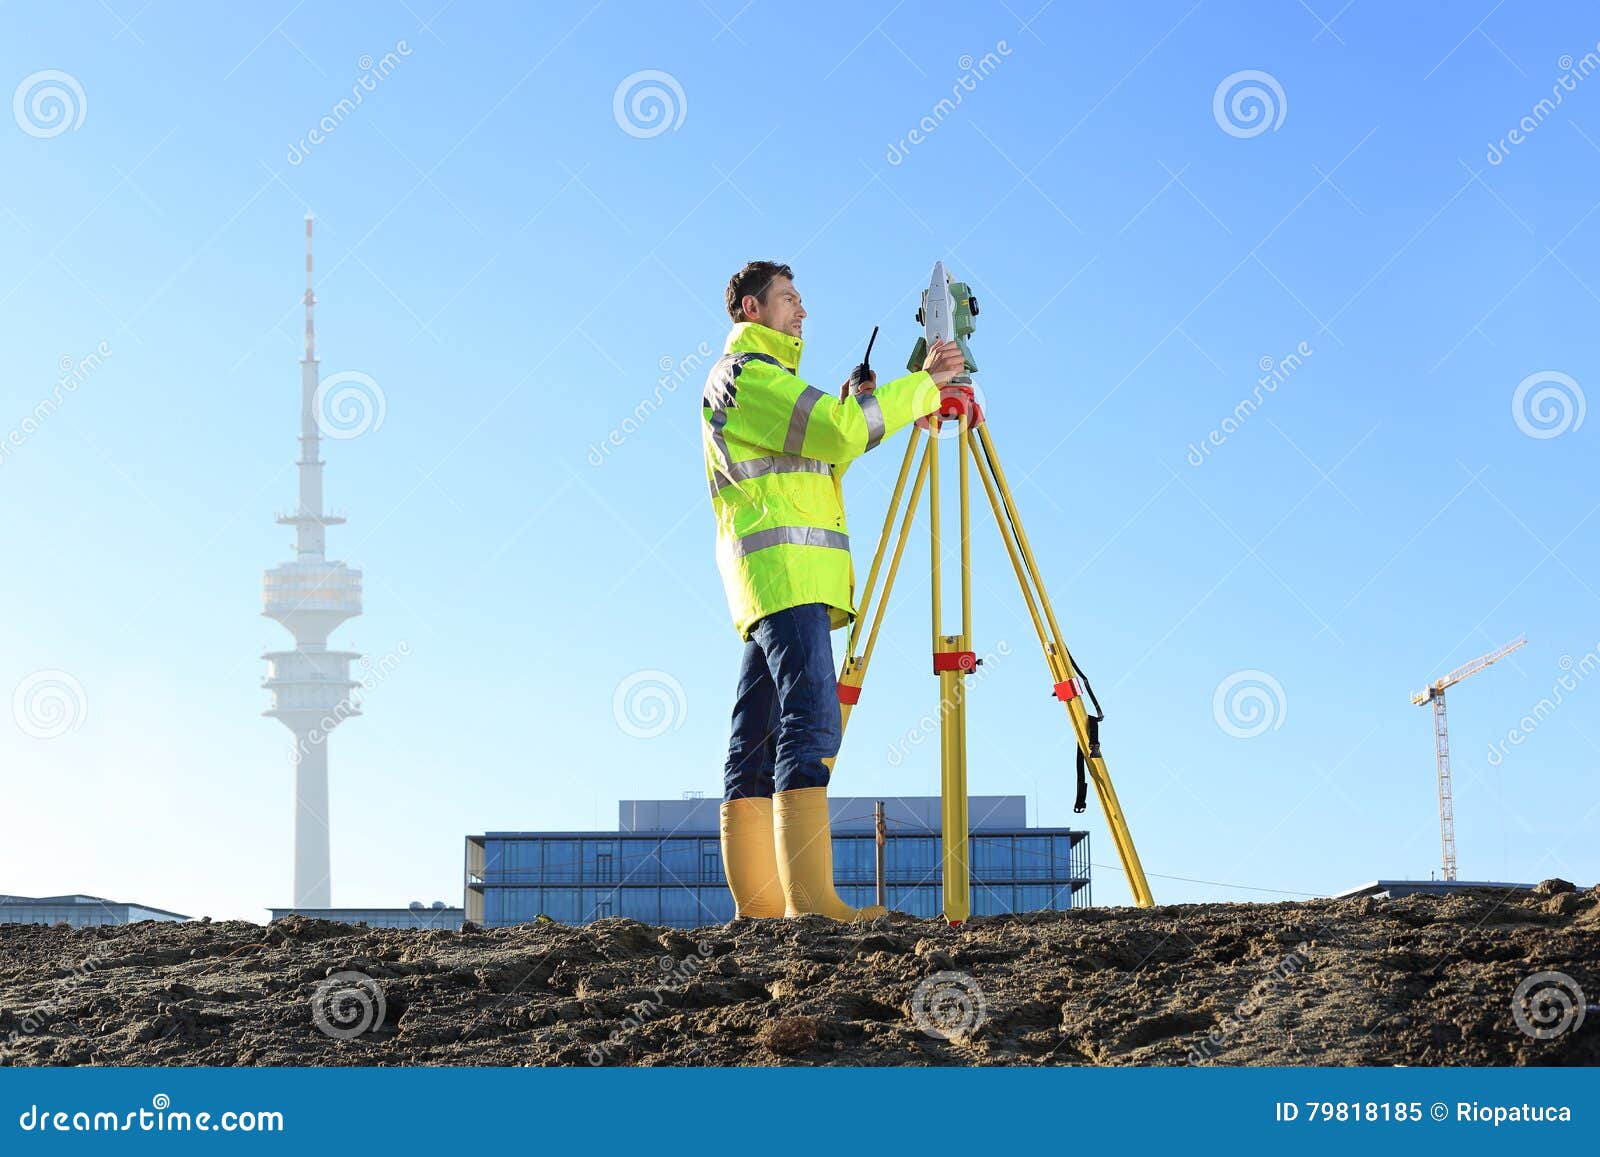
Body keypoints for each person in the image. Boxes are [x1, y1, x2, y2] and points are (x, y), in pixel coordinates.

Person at [702, 259, 967, 920]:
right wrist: (926, 386)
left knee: (756, 737)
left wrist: (865, 402)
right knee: (811, 722)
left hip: (778, 582)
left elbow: (835, 443)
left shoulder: (768, 385)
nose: (802, 310)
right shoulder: (749, 375)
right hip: (787, 577)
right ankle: (813, 903)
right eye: (789, 299)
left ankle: (762, 910)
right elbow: (839, 431)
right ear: (752, 310)